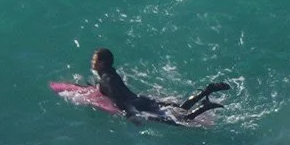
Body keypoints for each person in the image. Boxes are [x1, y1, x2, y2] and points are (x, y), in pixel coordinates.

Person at [89, 48, 230, 123]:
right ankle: (206, 90)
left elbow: (119, 100)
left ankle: (204, 107)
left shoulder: (105, 81)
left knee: (180, 121)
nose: (92, 62)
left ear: (101, 63)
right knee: (180, 108)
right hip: (141, 99)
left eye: (94, 60)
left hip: (138, 107)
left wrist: (131, 115)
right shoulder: (112, 74)